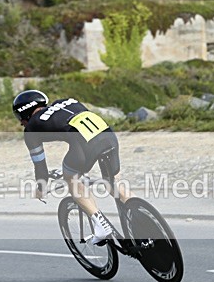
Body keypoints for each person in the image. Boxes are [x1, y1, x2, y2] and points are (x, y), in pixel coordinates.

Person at [12, 89, 128, 245]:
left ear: (24, 113)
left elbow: (40, 166)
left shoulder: (30, 129)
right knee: (114, 184)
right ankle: (139, 215)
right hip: (109, 136)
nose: (20, 123)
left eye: (19, 118)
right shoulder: (67, 101)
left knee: (71, 178)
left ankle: (101, 226)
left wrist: (41, 187)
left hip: (85, 145)